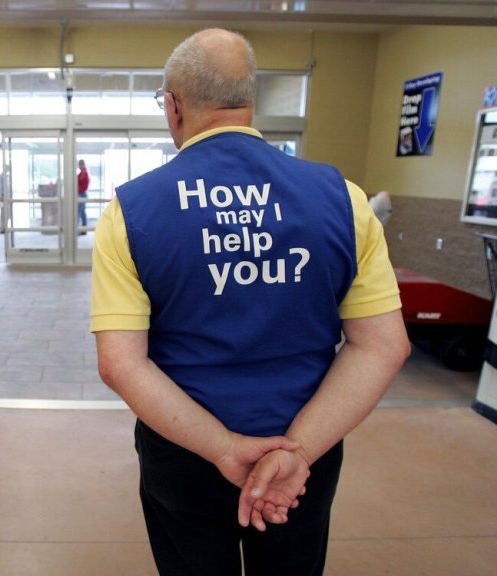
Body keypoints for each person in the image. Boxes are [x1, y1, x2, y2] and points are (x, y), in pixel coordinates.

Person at [91, 28, 410, 576]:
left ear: (173, 106)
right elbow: (382, 345)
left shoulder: (131, 211)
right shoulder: (344, 200)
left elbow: (121, 361)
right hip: (300, 456)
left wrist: (221, 447)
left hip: (185, 455)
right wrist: (299, 452)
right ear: (249, 102)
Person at [77, 159, 89, 235]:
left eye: (80, 164)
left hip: (82, 194)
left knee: (79, 212)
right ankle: (83, 229)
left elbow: (84, 186)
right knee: (82, 212)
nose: (79, 166)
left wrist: (78, 189)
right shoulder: (81, 173)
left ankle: (82, 229)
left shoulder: (84, 173)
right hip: (80, 194)